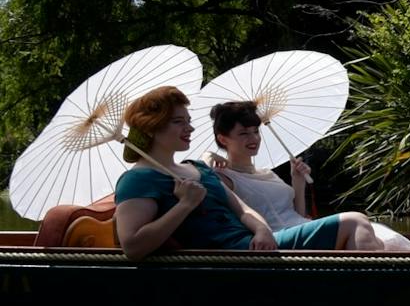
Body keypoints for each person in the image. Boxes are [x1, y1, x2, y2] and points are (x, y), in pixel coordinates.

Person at [110, 87, 377, 259]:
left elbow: (242, 209)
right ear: (152, 128)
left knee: (359, 222)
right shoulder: (139, 179)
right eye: (179, 122)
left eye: (188, 121)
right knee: (354, 221)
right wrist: (185, 205)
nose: (189, 128)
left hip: (254, 246)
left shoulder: (197, 168)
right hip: (230, 260)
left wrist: (261, 229)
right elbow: (132, 247)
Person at [207, 101, 410, 251]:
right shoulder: (224, 177)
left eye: (256, 131)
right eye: (244, 133)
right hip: (275, 237)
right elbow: (201, 175)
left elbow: (297, 213)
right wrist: (208, 156)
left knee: (384, 236)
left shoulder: (267, 173)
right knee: (355, 219)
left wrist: (297, 181)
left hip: (300, 229)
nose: (253, 138)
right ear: (223, 139)